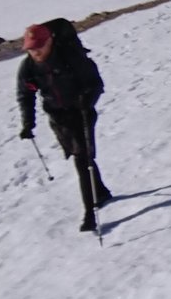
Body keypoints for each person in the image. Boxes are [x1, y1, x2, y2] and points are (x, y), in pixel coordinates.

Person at [17, 22, 113, 232]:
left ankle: (90, 212)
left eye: (39, 45)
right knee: (79, 156)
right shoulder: (28, 67)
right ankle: (101, 192)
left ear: (50, 41)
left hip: (81, 112)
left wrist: (87, 100)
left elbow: (96, 83)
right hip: (58, 118)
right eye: (32, 48)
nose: (36, 51)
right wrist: (28, 123)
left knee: (81, 159)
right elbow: (26, 95)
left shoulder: (71, 57)